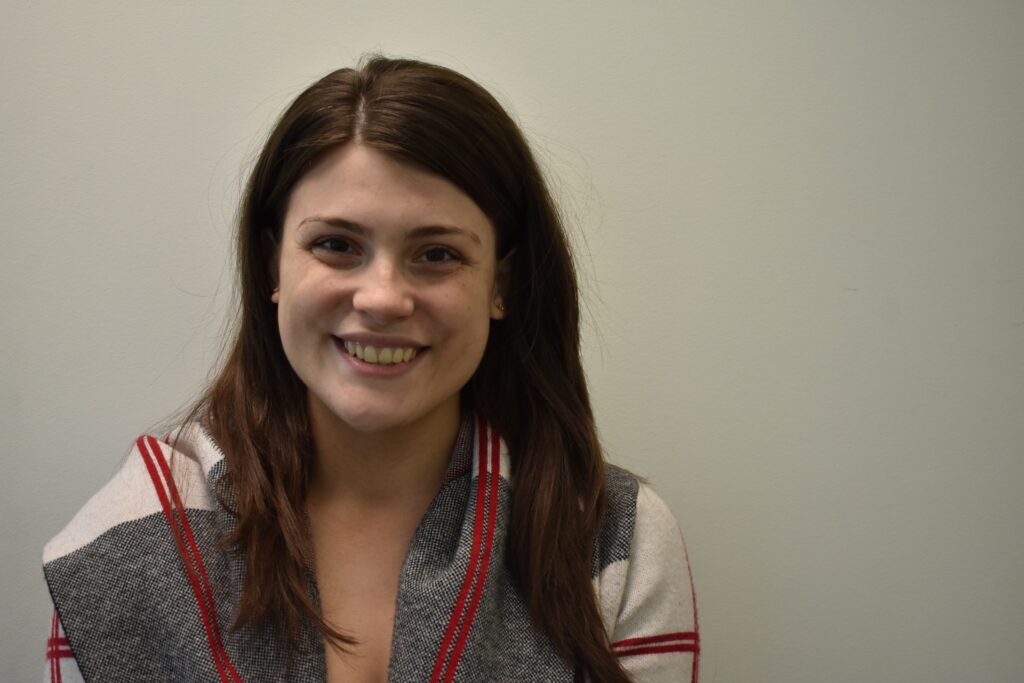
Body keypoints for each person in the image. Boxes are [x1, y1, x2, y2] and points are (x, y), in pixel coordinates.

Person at [42, 56, 699, 683]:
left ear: (503, 284)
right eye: (336, 245)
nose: (382, 297)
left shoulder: (616, 538)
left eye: (437, 253)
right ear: (273, 266)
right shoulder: (127, 543)